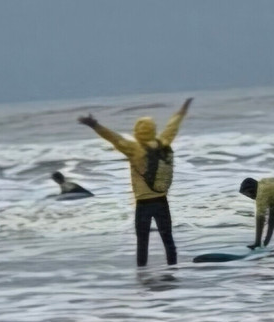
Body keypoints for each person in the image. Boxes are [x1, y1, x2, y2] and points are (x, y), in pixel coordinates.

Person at [79, 98, 192, 267]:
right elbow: (172, 126)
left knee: (142, 242)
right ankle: (173, 271)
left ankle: (142, 275)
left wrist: (94, 125)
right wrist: (183, 109)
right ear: (153, 129)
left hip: (143, 204)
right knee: (168, 239)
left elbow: (113, 138)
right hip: (162, 201)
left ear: (137, 131)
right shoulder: (164, 142)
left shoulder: (133, 149)